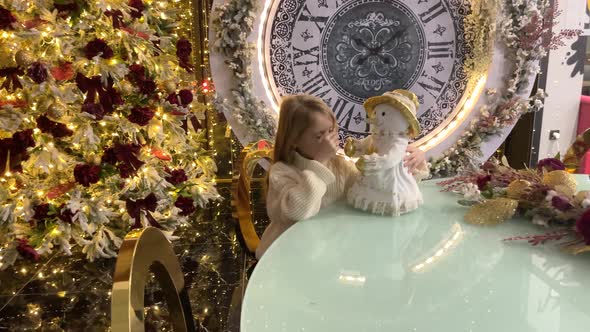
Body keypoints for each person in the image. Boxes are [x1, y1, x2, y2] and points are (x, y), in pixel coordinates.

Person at [255, 95, 427, 259]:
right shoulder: (282, 171)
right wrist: (320, 161)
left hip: (324, 253)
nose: (329, 140)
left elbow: (377, 186)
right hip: (286, 256)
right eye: (319, 135)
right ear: (293, 140)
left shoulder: (339, 166)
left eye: (331, 131)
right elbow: (299, 212)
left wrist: (411, 161)